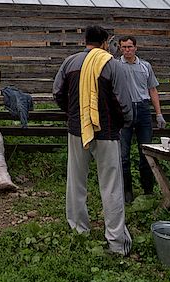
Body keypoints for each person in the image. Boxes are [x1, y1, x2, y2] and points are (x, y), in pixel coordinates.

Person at [53, 24, 133, 254]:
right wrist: (123, 122)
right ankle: (116, 241)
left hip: (77, 131)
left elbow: (57, 93)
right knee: (111, 185)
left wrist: (74, 114)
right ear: (105, 42)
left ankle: (78, 230)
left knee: (75, 181)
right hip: (106, 132)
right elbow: (123, 103)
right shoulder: (112, 64)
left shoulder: (70, 63)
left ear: (85, 41)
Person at [116, 35, 166, 203]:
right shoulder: (116, 66)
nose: (127, 50)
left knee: (146, 151)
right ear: (120, 48)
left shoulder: (145, 66)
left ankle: (148, 190)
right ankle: (127, 191)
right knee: (123, 155)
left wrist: (158, 113)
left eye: (130, 47)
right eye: (124, 47)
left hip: (143, 108)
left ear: (135, 48)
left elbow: (152, 90)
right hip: (125, 110)